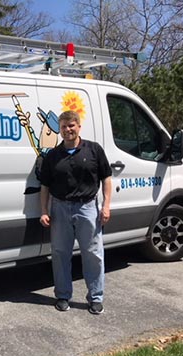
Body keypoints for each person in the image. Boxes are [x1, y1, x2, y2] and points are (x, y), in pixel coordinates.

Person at [39, 110, 112, 315]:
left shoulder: (94, 150)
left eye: (71, 125)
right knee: (61, 254)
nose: (67, 129)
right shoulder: (53, 155)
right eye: (63, 126)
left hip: (87, 208)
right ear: (60, 129)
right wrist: (44, 210)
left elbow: (106, 178)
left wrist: (106, 206)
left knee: (93, 254)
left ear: (79, 126)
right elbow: (44, 185)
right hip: (60, 208)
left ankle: (96, 298)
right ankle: (63, 296)